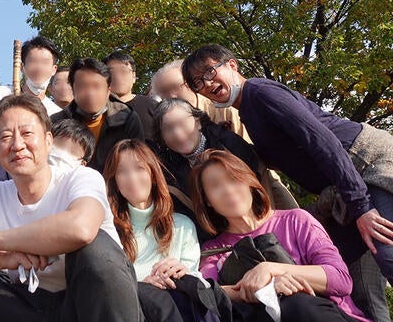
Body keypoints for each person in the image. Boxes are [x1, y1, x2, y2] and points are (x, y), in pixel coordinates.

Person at [0, 94, 143, 321]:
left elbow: (80, 228)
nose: (17, 145)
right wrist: (3, 260)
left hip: (88, 305)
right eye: (5, 136)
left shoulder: (81, 178)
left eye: (27, 133)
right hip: (31, 303)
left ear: (48, 140)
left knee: (95, 246)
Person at [182, 45, 393, 283]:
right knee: (333, 264)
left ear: (232, 65)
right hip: (341, 189)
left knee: (388, 253)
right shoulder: (248, 113)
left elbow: (322, 141)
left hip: (367, 162)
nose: (207, 84)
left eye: (210, 72)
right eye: (198, 82)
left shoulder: (260, 92)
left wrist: (361, 207)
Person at [191, 150, 370, 321]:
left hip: (325, 313)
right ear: (207, 201)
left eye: (233, 179)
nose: (228, 190)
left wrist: (271, 269)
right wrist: (268, 289)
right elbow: (208, 295)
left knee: (296, 306)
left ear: (249, 181)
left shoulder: (295, 220)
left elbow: (340, 279)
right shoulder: (212, 251)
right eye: (215, 186)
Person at [103, 139, 226, 322]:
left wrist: (184, 272)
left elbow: (196, 287)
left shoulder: (183, 226)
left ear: (153, 174)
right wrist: (141, 286)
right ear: (115, 182)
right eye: (122, 172)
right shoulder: (107, 232)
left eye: (139, 168)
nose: (132, 178)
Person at [153, 97, 297, 222]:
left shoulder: (228, 144)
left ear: (198, 122)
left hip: (263, 216)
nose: (177, 134)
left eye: (181, 123)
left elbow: (259, 182)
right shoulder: (168, 171)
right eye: (168, 128)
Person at [0, 36, 62, 195]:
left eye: (45, 63)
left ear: (54, 69)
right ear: (22, 67)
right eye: (33, 61)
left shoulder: (56, 112)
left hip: (32, 195)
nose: (39, 68)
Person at [50, 57, 144, 172]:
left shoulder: (127, 119)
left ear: (108, 90)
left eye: (97, 86)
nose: (90, 93)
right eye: (83, 86)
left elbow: (139, 163)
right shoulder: (57, 122)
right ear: (73, 89)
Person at [152, 59, 245, 138]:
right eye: (164, 93)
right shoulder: (168, 128)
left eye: (176, 87)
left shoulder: (224, 108)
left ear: (192, 84)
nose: (172, 96)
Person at [104, 50, 157, 139]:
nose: (117, 77)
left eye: (123, 71)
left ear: (134, 76)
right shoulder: (96, 109)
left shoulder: (153, 106)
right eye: (111, 73)